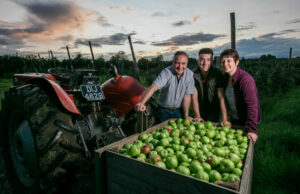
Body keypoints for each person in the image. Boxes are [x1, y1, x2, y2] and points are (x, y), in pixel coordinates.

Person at [136, 51, 194, 122]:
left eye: (183, 63)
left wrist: (186, 115)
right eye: (177, 63)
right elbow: (153, 87)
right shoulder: (166, 73)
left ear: (187, 63)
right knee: (160, 131)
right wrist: (142, 102)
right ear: (173, 62)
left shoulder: (190, 75)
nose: (180, 66)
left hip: (179, 111)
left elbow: (187, 96)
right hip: (163, 111)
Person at [220, 49, 261, 143]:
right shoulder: (226, 78)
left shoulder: (245, 80)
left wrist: (252, 129)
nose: (225, 64)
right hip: (235, 117)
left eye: (229, 61)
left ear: (237, 62)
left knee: (244, 144)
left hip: (246, 120)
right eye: (223, 61)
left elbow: (252, 105)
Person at [192, 48, 230, 126]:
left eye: (208, 60)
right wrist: (197, 116)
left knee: (210, 127)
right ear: (198, 61)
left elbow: (221, 96)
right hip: (200, 106)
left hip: (213, 108)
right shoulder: (193, 74)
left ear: (212, 61)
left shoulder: (218, 74)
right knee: (199, 127)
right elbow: (194, 95)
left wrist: (225, 119)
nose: (205, 63)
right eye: (202, 60)